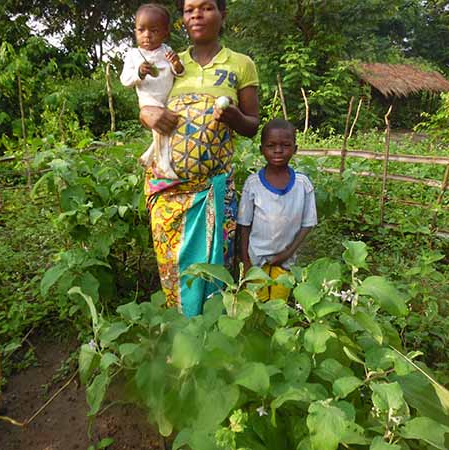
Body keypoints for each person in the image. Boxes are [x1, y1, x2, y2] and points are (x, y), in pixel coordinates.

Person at [139, 0, 260, 317]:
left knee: (212, 271)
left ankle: (211, 338)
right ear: (182, 19)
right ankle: (180, 337)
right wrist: (147, 115)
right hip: (169, 192)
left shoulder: (241, 64)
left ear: (223, 14)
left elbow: (252, 125)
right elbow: (148, 103)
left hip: (212, 193)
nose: (196, 14)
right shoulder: (167, 61)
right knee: (174, 269)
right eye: (189, 9)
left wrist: (233, 116)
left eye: (206, 7)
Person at [237, 119, 317, 301]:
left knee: (279, 304)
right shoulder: (253, 184)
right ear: (261, 149)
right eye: (271, 145)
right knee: (257, 304)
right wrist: (246, 261)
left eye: (285, 145)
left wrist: (287, 253)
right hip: (256, 260)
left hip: (286, 262)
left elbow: (308, 224)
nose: (278, 151)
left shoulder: (302, 185)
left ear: (295, 149)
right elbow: (244, 225)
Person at [120, 3, 184, 179]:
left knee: (171, 127)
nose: (147, 35)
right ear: (135, 31)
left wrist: (177, 64)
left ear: (165, 33)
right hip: (150, 101)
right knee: (161, 129)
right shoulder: (133, 55)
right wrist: (139, 73)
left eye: (154, 31)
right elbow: (125, 80)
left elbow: (179, 72)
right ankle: (164, 165)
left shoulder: (167, 51)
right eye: (141, 30)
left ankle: (148, 156)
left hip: (168, 99)